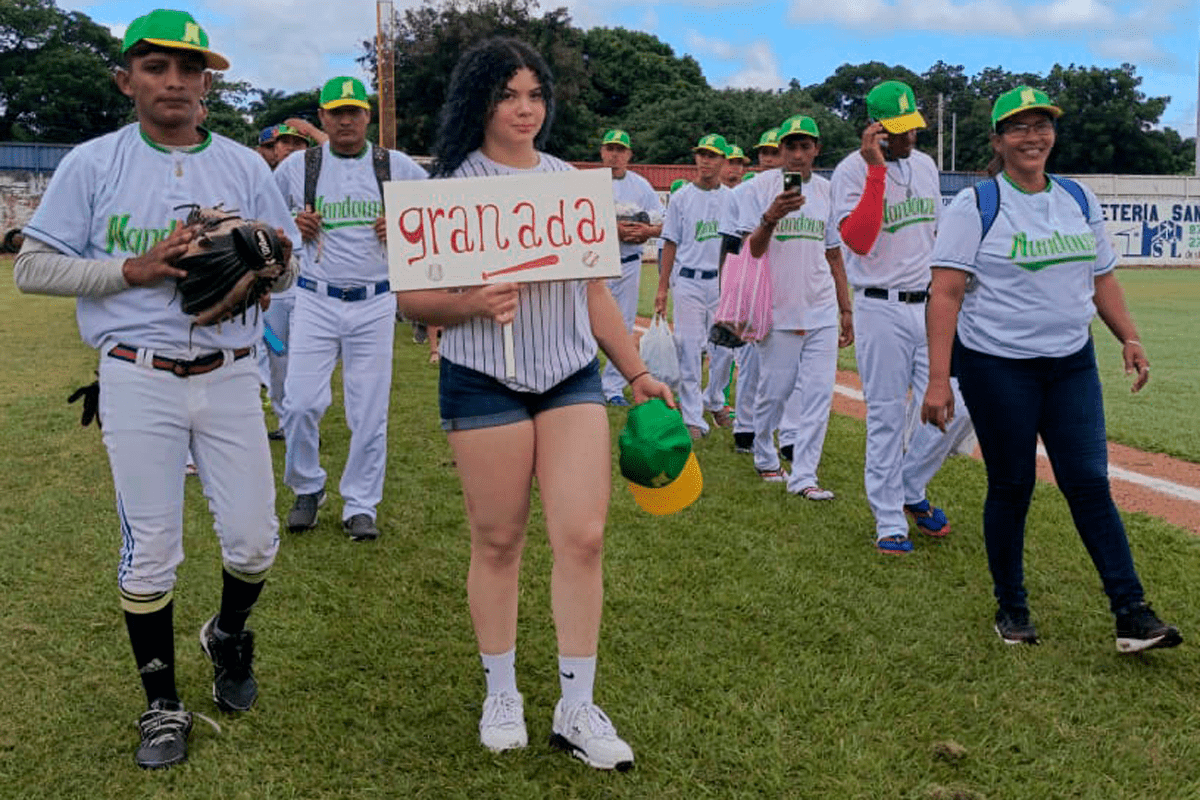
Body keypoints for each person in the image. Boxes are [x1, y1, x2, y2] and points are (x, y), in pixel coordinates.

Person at [13, 8, 299, 768]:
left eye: (189, 68)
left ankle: (228, 634)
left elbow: (286, 261)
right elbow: (31, 267)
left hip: (232, 372)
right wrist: (129, 270)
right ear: (126, 79)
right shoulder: (94, 162)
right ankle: (161, 704)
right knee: (151, 554)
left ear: (208, 83)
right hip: (138, 374)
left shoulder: (243, 166)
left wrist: (271, 267)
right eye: (155, 66)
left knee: (254, 541)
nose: (174, 80)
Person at [394, 36, 673, 770]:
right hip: (482, 377)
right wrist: (469, 303)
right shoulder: (447, 188)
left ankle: (576, 706)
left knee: (582, 535)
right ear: (479, 100)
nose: (525, 109)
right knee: (498, 541)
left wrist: (636, 370)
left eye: (535, 95)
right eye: (509, 94)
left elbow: (594, 294)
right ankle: (502, 690)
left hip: (569, 375)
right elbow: (412, 300)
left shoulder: (571, 185)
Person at [921, 86, 1182, 651]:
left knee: (1089, 482)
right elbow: (944, 294)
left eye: (1042, 126)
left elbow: (1101, 277)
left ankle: (1132, 613)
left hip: (1071, 363)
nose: (1032, 137)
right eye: (1018, 128)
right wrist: (939, 381)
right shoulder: (977, 205)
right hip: (998, 366)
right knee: (1013, 485)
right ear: (998, 140)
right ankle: (1011, 609)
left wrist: (1128, 336)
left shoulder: (1078, 198)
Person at [273, 76, 428, 541]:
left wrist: (402, 228)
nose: (345, 120)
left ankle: (360, 504)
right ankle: (307, 487)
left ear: (367, 115)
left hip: (375, 300)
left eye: (353, 111)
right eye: (335, 111)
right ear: (321, 117)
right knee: (299, 403)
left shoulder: (396, 166)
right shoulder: (295, 168)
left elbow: (432, 222)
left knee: (369, 410)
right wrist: (292, 226)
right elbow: (264, 229)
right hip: (314, 297)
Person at [830, 79, 973, 553]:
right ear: (874, 130)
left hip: (927, 303)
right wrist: (875, 171)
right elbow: (859, 239)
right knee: (888, 417)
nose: (910, 137)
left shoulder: (927, 166)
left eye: (914, 126)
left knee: (954, 402)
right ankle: (889, 517)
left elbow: (932, 235)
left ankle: (910, 486)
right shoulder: (851, 172)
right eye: (899, 130)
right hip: (879, 306)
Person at [741, 115, 853, 490]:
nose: (798, 154)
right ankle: (763, 453)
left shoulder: (827, 191)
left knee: (818, 395)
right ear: (781, 150)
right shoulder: (760, 188)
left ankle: (805, 475)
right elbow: (751, 251)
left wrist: (845, 308)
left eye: (806, 146)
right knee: (775, 392)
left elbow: (834, 254)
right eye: (791, 146)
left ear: (816, 150)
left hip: (820, 307)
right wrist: (771, 217)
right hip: (777, 309)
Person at [655, 134, 733, 439]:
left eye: (712, 155)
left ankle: (714, 399)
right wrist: (663, 288)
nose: (705, 160)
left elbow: (734, 244)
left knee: (725, 350)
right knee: (689, 351)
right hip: (688, 280)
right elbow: (670, 242)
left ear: (723, 161)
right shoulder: (682, 197)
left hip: (719, 282)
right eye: (701, 154)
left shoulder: (730, 198)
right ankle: (693, 419)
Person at [597, 129, 664, 406]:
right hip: (597, 265)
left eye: (620, 150)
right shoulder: (590, 183)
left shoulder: (641, 185)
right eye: (610, 148)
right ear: (602, 152)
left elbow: (662, 220)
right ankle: (587, 382)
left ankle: (612, 387)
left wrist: (647, 232)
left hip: (629, 262)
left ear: (629, 155)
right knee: (587, 324)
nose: (614, 155)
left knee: (623, 325)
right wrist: (614, 229)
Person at [255, 123, 313, 441]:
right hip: (277, 281)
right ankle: (283, 417)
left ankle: (303, 419)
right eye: (284, 142)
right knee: (277, 351)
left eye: (297, 142)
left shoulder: (321, 179)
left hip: (308, 280)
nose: (290, 147)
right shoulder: (264, 183)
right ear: (274, 149)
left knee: (305, 354)